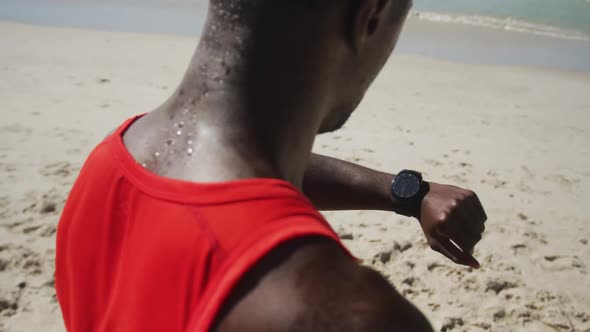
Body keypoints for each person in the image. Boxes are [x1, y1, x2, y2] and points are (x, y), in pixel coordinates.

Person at [55, 0, 487, 331]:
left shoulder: (109, 166)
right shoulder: (350, 314)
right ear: (370, 15)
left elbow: (238, 186)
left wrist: (405, 193)